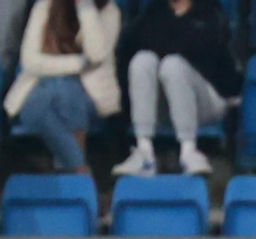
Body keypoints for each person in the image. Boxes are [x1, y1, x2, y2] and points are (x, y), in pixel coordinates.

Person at [112, 0, 241, 177]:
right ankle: (144, 152)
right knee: (142, 59)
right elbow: (131, 46)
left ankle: (189, 150)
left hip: (206, 101)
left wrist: (165, 44)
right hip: (164, 105)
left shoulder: (210, 14)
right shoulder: (153, 14)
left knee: (173, 65)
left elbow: (197, 50)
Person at [3, 0, 121, 173]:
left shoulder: (110, 11)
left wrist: (84, 6)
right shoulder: (44, 6)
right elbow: (29, 61)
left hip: (90, 92)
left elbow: (96, 54)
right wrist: (78, 63)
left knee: (61, 91)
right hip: (42, 85)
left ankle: (70, 167)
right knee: (52, 92)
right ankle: (78, 166)